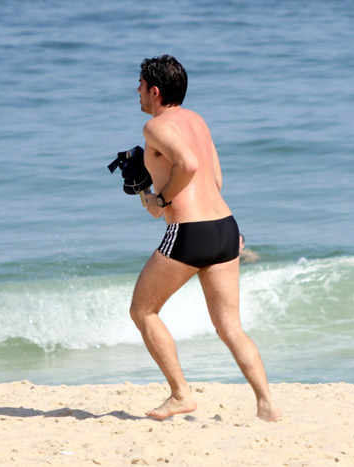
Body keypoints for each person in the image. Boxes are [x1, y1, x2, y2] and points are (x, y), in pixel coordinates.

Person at [129, 55, 281, 422]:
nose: (136, 92)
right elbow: (214, 180)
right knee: (230, 326)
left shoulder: (156, 127)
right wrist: (155, 196)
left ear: (155, 90)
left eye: (140, 85)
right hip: (226, 227)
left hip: (189, 233)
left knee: (143, 311)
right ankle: (266, 404)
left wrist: (162, 200)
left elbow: (190, 166)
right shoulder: (197, 121)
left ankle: (181, 395)